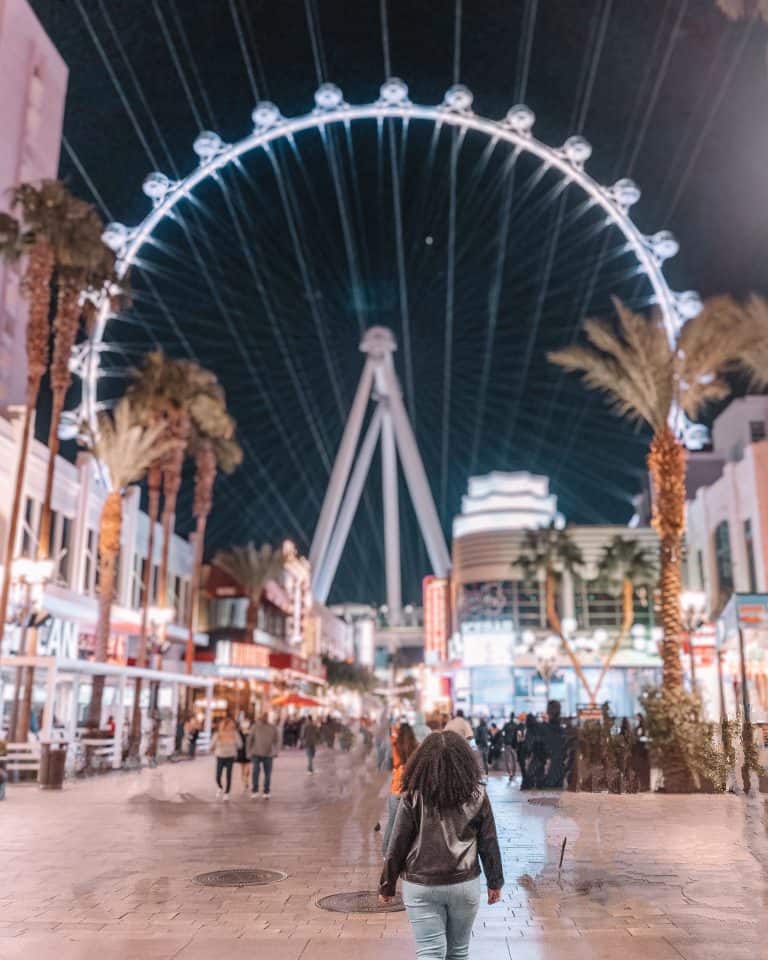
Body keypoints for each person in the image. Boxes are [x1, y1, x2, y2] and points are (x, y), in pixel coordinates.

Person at [379, 731, 504, 960]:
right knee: (458, 953)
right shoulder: (478, 795)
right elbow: (489, 840)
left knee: (429, 952)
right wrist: (495, 882)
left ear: (422, 762)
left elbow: (397, 842)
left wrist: (387, 885)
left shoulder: (412, 796)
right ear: (465, 762)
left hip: (421, 885)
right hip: (464, 883)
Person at [383, 722, 419, 856]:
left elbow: (393, 763)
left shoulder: (394, 746)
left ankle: (386, 852)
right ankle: (405, 852)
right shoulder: (416, 747)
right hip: (410, 790)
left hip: (396, 788)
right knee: (407, 824)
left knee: (392, 822)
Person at [247, 713, 279, 798]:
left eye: (266, 717)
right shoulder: (255, 727)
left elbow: (276, 740)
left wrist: (275, 751)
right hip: (256, 753)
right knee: (255, 772)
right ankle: (255, 790)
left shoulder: (272, 727)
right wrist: (248, 752)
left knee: (268, 773)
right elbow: (250, 740)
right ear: (260, 718)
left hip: (268, 753)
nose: (264, 718)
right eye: (263, 717)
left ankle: (266, 791)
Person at [212, 717, 239, 800]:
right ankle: (220, 787)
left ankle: (227, 793)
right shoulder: (218, 734)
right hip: (220, 756)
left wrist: (234, 740)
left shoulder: (234, 734)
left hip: (230, 756)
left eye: (231, 725)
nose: (230, 727)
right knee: (217, 776)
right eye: (229, 725)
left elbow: (240, 744)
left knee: (228, 775)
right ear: (224, 725)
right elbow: (212, 744)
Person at [502, 713, 518, 782]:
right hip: (514, 744)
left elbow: (502, 733)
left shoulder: (506, 725)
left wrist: (504, 740)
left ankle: (510, 773)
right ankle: (513, 773)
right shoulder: (516, 725)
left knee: (507, 760)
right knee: (514, 760)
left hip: (507, 744)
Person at [236, 717, 251, 789]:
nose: (245, 724)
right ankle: (244, 781)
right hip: (241, 752)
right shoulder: (239, 732)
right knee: (242, 768)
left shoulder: (251, 732)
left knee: (248, 769)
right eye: (244, 723)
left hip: (249, 752)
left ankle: (246, 780)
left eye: (247, 723)